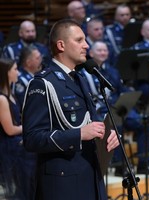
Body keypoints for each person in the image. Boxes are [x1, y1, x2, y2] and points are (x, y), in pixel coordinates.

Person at [22, 19, 119, 200]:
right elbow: (32, 139)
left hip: (90, 172)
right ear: (61, 45)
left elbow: (92, 122)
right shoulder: (43, 83)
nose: (86, 45)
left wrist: (109, 134)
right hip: (62, 182)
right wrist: (78, 134)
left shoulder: (79, 78)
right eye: (80, 40)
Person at [81, 41, 149, 176]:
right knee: (115, 126)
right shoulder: (84, 74)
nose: (103, 53)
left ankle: (144, 163)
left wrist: (129, 96)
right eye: (99, 50)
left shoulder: (113, 71)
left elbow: (121, 90)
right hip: (99, 111)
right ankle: (120, 166)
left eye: (105, 50)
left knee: (144, 121)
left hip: (117, 107)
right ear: (91, 53)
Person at [0, 58, 36, 200]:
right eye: (15, 69)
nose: (18, 72)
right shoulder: (2, 99)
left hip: (16, 142)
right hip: (10, 147)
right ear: (5, 73)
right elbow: (9, 130)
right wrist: (29, 127)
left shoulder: (10, 93)